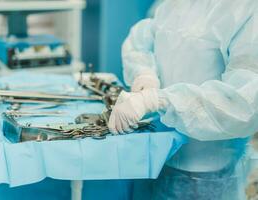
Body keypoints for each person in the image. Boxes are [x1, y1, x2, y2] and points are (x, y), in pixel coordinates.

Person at [108, 0, 258, 199]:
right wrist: (144, 74)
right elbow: (142, 39)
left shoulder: (245, 10)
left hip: (205, 169)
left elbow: (243, 103)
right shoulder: (174, 4)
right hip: (155, 154)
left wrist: (158, 101)